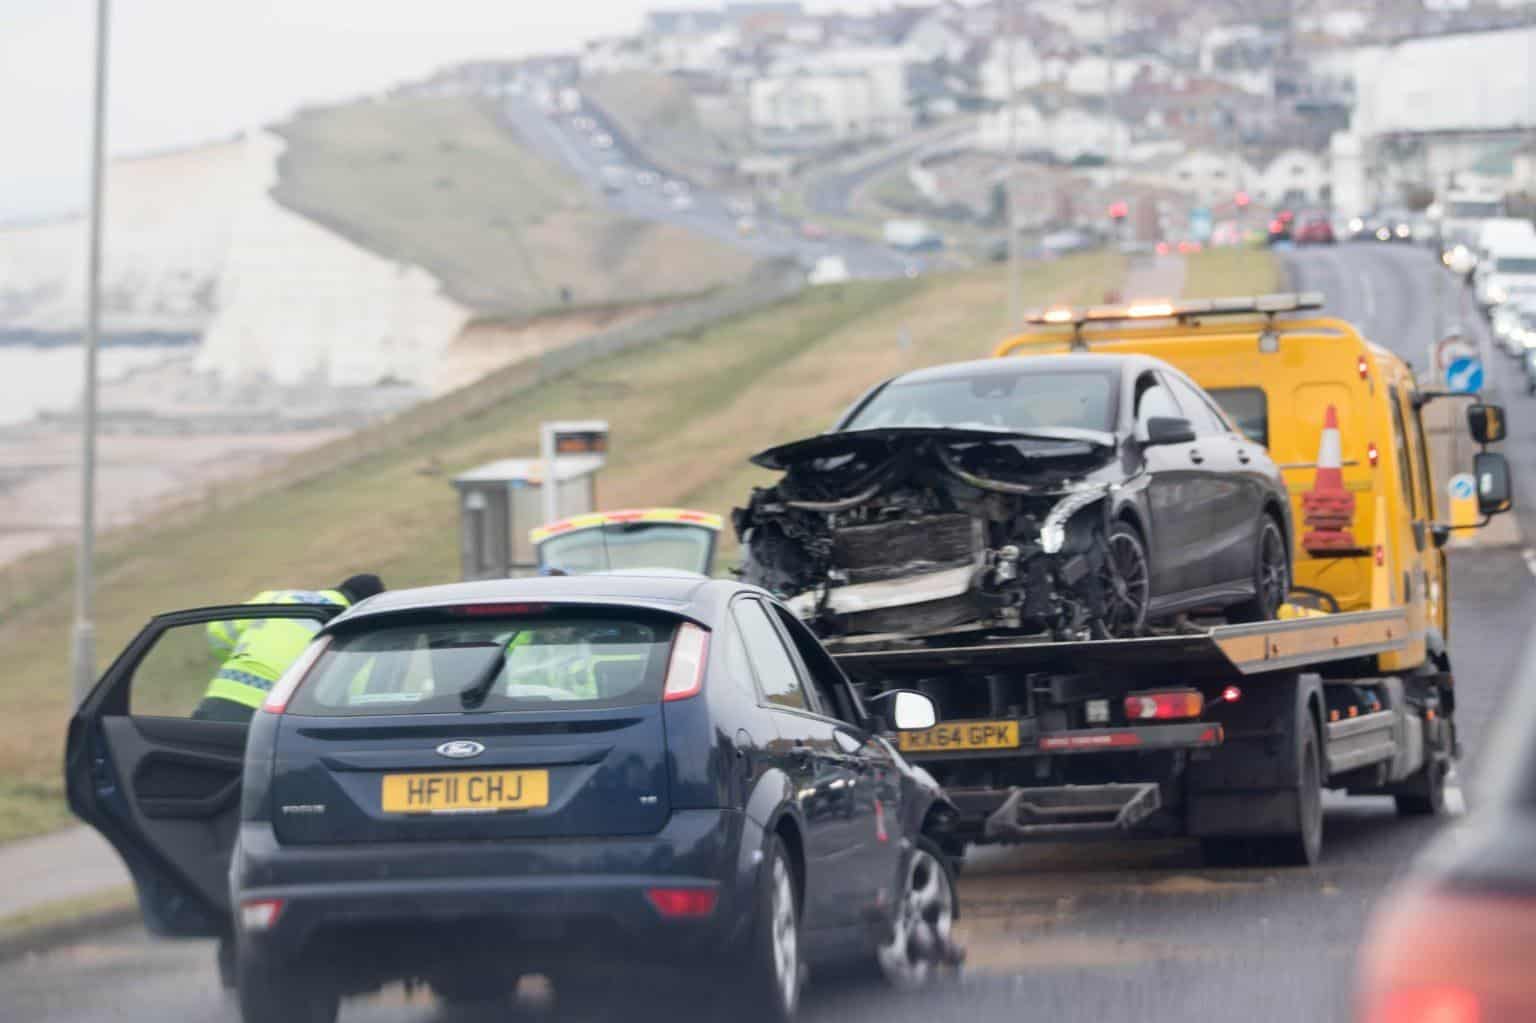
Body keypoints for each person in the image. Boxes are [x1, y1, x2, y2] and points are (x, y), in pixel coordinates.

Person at [194, 574, 385, 723]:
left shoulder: (278, 597)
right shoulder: (352, 625)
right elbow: (354, 692)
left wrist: (236, 655)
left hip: (219, 700)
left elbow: (217, 631)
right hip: (270, 717)